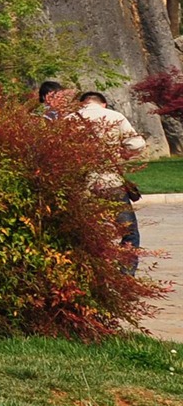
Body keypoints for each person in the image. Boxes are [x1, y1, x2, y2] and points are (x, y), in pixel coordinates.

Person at [75, 90, 147, 271]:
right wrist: (124, 152)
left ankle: (90, 276)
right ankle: (126, 276)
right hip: (111, 183)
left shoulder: (70, 119)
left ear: (81, 104)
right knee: (128, 233)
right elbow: (137, 144)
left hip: (81, 185)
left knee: (85, 233)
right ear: (104, 104)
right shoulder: (115, 116)